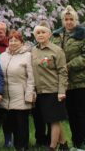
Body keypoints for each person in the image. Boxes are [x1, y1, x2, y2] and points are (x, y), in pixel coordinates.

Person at [51, 5, 85, 149]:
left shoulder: (82, 34)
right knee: (70, 113)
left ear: (76, 20)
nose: (69, 22)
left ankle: (82, 141)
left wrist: (69, 65)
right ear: (62, 20)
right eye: (66, 19)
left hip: (79, 81)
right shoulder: (56, 35)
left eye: (71, 19)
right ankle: (76, 141)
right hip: (62, 83)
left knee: (81, 113)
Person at [32, 21, 69, 150]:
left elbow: (63, 72)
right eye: (38, 32)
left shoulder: (57, 50)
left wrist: (61, 91)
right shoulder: (33, 50)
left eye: (43, 32)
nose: (40, 35)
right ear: (34, 35)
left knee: (53, 120)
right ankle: (64, 145)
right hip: (40, 91)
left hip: (53, 90)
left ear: (49, 34)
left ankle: (52, 147)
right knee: (53, 119)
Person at [0, 30, 35, 151]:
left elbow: (31, 78)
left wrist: (29, 95)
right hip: (5, 96)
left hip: (21, 95)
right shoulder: (3, 56)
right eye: (11, 40)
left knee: (21, 125)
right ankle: (15, 145)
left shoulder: (27, 55)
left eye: (16, 40)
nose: (13, 42)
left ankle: (23, 147)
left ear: (21, 42)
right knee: (10, 123)